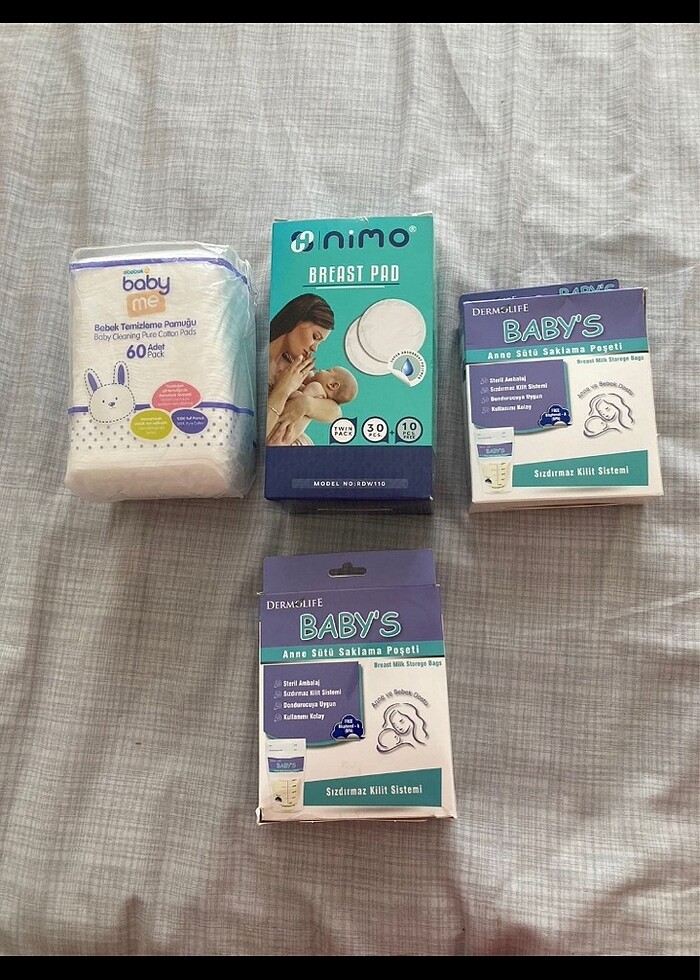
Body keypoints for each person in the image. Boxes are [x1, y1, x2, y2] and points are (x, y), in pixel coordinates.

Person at [267, 293, 342, 441]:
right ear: (296, 320)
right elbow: (257, 436)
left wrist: (305, 404)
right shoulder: (255, 360)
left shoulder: (297, 367)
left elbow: (336, 412)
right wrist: (283, 389)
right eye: (315, 337)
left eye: (320, 343)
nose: (314, 348)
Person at [268, 366, 358, 446]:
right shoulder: (322, 400)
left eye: (327, 370)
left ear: (333, 385)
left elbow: (298, 399)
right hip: (284, 440)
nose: (321, 370)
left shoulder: (316, 387)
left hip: (277, 432)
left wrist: (285, 386)